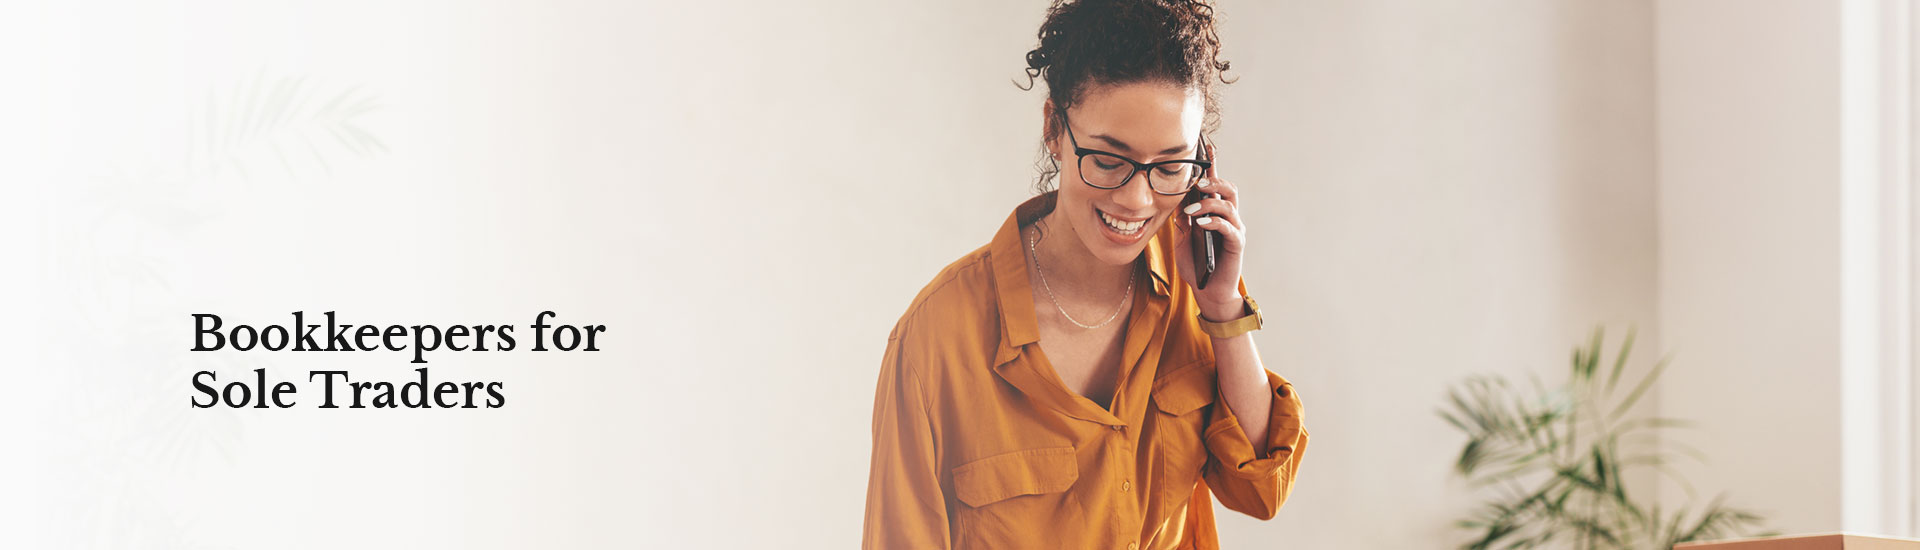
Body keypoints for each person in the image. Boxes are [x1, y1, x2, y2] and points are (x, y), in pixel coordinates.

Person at [861, 1, 1308, 548]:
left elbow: (1261, 490)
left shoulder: (1195, 287)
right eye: (1108, 159)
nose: (1138, 198)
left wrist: (1221, 309)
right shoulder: (935, 342)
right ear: (1055, 129)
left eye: (1170, 166)